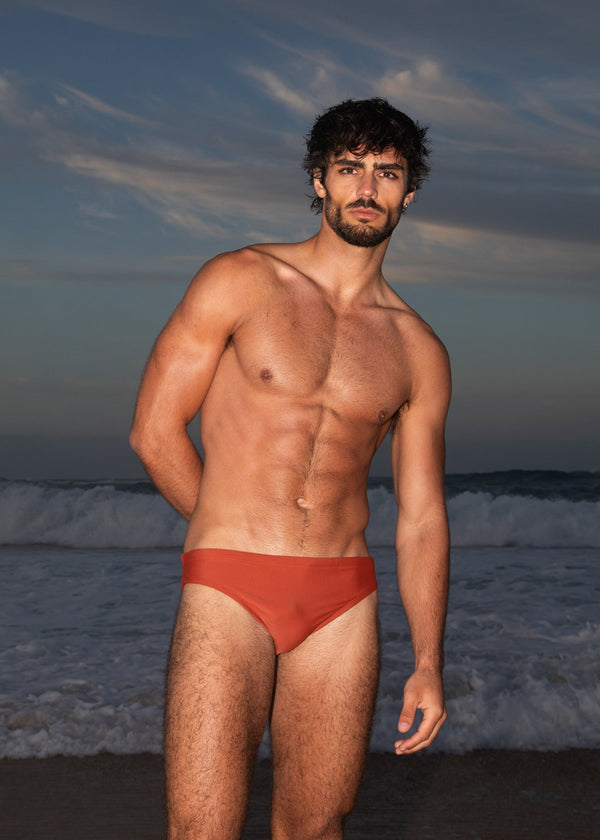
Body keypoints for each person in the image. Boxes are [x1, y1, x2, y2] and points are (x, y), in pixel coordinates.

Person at [130, 97, 451, 840]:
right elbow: (153, 430)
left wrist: (429, 661)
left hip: (341, 604)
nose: (367, 188)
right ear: (318, 181)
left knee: (314, 828)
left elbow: (423, 517)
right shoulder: (240, 280)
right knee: (201, 829)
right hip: (228, 588)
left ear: (410, 192)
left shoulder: (418, 349)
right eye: (349, 169)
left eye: (387, 172)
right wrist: (220, 527)